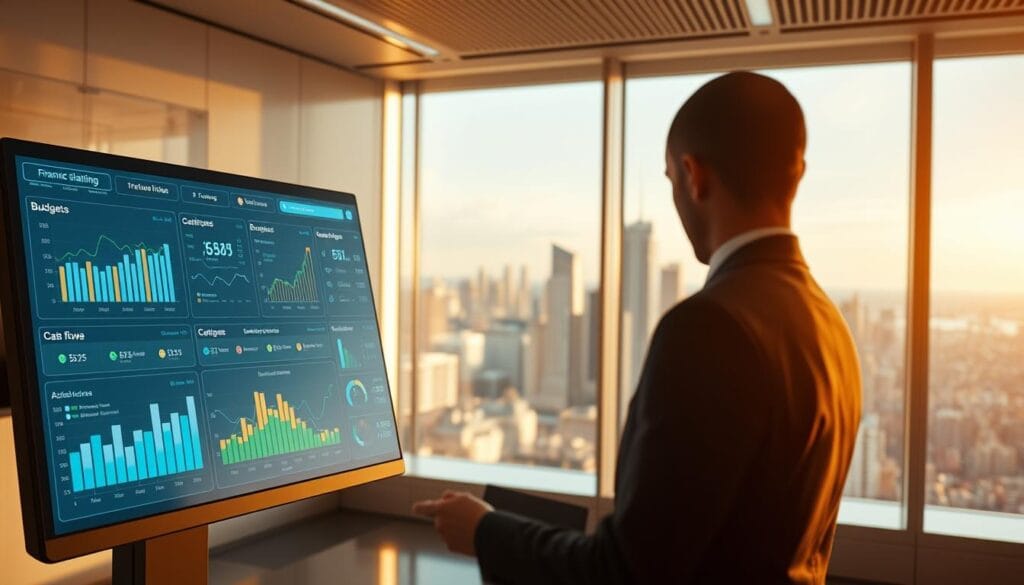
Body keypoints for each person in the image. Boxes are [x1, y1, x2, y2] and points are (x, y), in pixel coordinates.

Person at [412, 71, 862, 585]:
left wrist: (485, 532)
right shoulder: (828, 322)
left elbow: (624, 573)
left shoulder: (708, 329)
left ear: (694, 176)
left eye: (672, 181)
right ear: (796, 173)